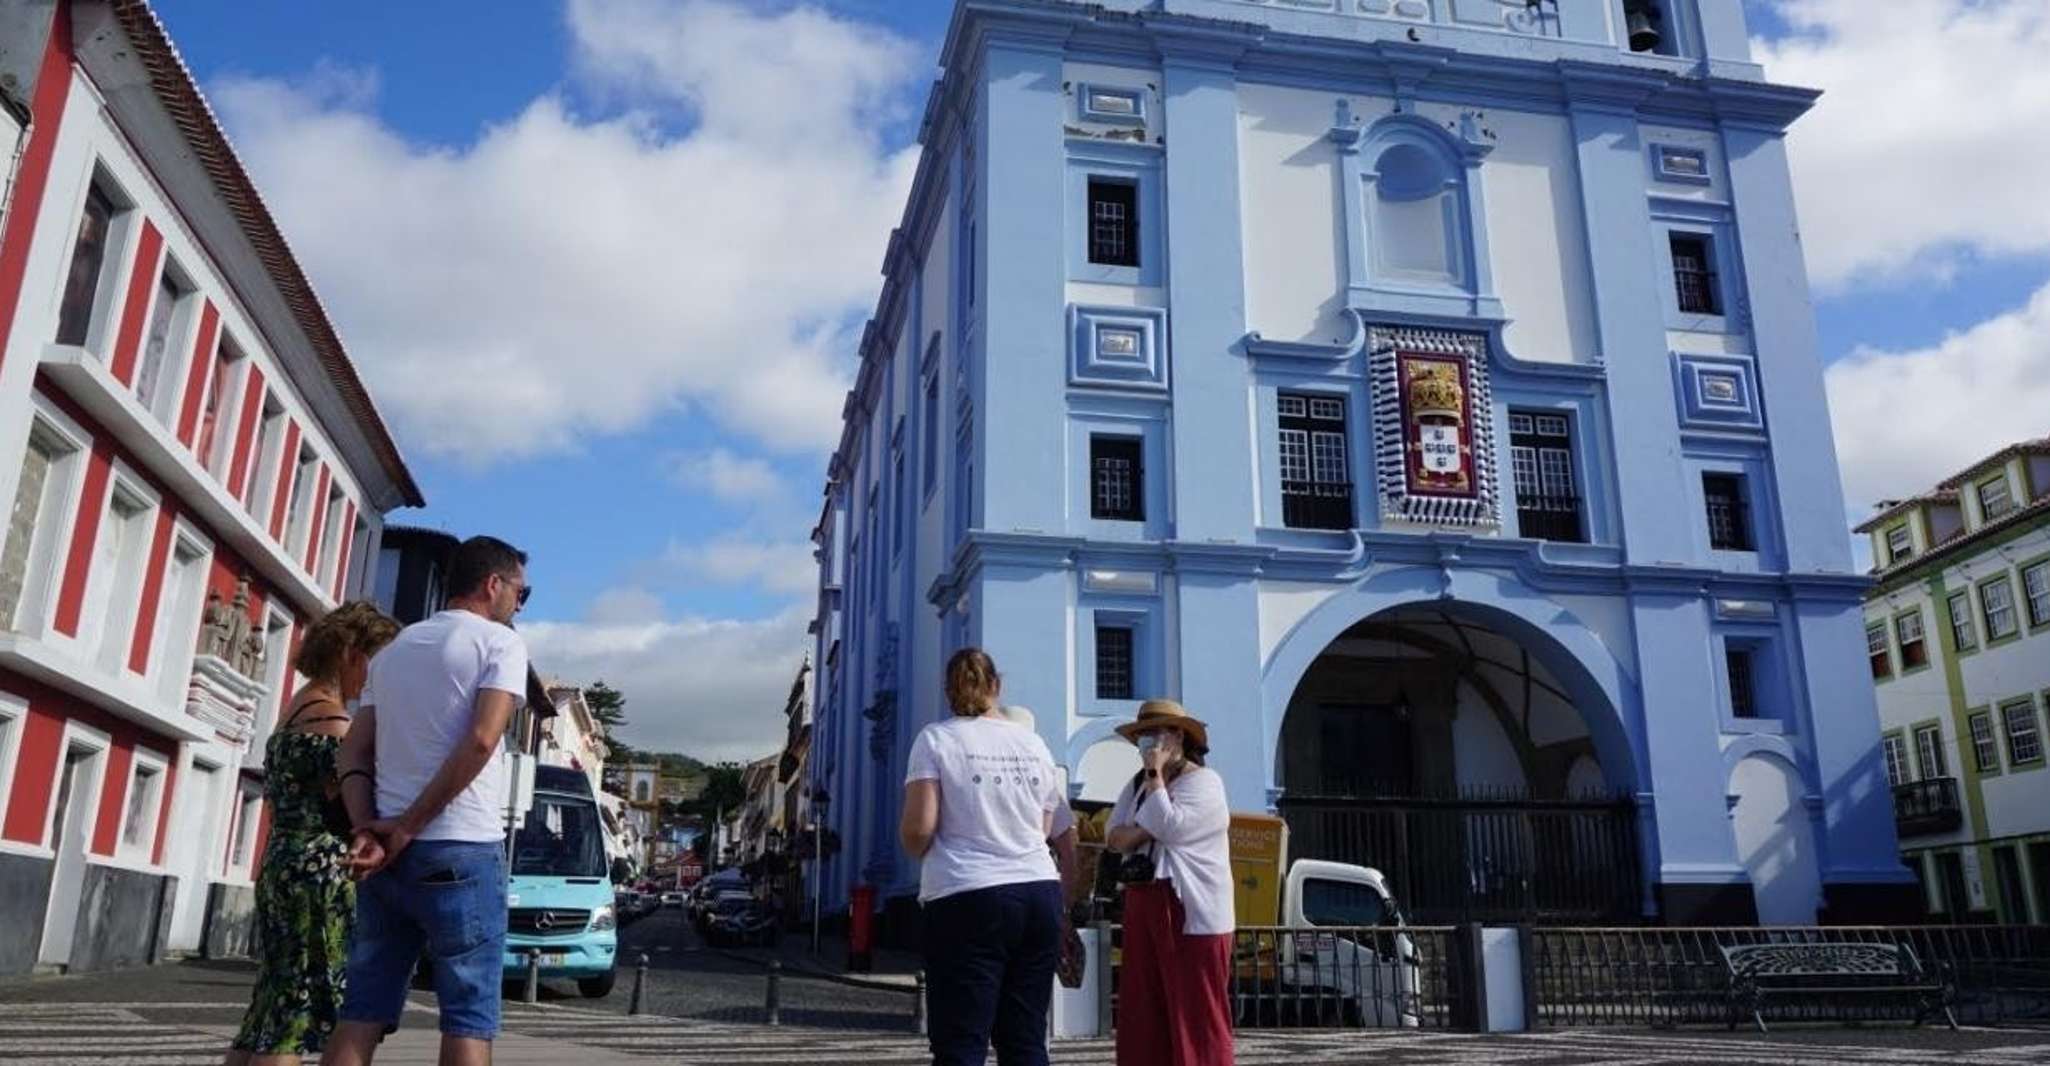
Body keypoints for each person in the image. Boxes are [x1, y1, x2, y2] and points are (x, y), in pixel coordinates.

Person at [322, 536, 532, 1066]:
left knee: (361, 1010)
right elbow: (483, 740)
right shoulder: (500, 644)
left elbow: (353, 750)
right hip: (461, 849)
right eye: (521, 594)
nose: (519, 605)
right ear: (494, 585)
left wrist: (367, 826)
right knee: (467, 1017)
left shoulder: (392, 653)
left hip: (386, 857)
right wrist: (410, 824)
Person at [226, 602, 401, 1066]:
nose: (374, 676)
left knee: (269, 1005)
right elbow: (353, 806)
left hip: (282, 861)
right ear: (350, 653)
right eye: (374, 661)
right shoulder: (335, 725)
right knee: (298, 1012)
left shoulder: (293, 710)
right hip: (320, 874)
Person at [900, 650, 1063, 1066]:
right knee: (1025, 1041)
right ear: (997, 686)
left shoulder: (936, 739)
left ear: (949, 690)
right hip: (1038, 893)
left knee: (961, 1043)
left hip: (968, 894)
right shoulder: (1034, 743)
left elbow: (920, 828)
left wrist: (917, 847)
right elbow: (1044, 829)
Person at [1105, 699, 1234, 1066]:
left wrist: (1155, 778)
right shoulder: (1135, 787)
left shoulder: (1205, 783)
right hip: (1145, 900)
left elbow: (1170, 827)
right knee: (1144, 1010)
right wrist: (1144, 828)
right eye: (1143, 734)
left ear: (1179, 736)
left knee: (1196, 1014)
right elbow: (1113, 836)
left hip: (1190, 909)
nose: (1149, 742)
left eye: (1156, 733)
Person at [995, 705, 1085, 988]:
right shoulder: (1045, 785)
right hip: (1034, 893)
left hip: (990, 893)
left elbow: (1069, 852)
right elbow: (1070, 852)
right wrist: (1064, 908)